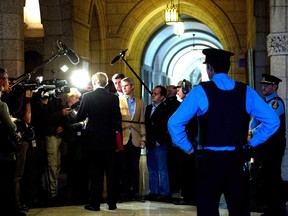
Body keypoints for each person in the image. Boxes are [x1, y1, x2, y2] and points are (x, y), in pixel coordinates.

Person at [168, 48, 280, 216]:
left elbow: (174, 123)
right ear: (228, 67)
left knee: (208, 209)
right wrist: (252, 143)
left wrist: (188, 147)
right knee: (239, 210)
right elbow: (273, 120)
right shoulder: (246, 91)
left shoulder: (201, 91)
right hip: (237, 161)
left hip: (209, 162)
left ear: (210, 69)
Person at [77, 72, 122, 211]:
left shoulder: (87, 96)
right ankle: (112, 203)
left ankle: (94, 204)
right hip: (109, 140)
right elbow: (117, 120)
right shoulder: (113, 98)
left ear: (94, 82)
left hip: (93, 139)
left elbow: (80, 116)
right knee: (111, 172)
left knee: (96, 172)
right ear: (106, 83)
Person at [249, 74, 286, 216]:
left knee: (272, 176)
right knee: (265, 175)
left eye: (267, 85)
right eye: (263, 84)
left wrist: (252, 132)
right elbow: (254, 119)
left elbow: (268, 123)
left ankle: (276, 208)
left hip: (273, 146)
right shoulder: (264, 102)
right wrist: (250, 129)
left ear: (275, 87)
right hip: (264, 145)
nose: (263, 87)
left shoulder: (275, 103)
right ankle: (270, 206)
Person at [0, 67, 26, 216]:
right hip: (4, 151)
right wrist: (12, 122)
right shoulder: (2, 105)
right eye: (6, 78)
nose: (8, 81)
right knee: (7, 182)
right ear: (1, 80)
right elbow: (11, 128)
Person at [118, 77, 146, 202]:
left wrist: (143, 138)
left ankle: (135, 191)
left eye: (126, 85)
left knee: (135, 166)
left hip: (135, 137)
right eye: (122, 86)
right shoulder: (118, 100)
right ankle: (124, 192)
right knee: (123, 166)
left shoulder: (139, 102)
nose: (124, 88)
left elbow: (142, 121)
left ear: (132, 86)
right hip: (123, 137)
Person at [62, 87, 88, 205]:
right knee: (73, 170)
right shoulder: (67, 110)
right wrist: (82, 124)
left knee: (80, 169)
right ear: (70, 98)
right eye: (76, 98)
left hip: (81, 143)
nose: (78, 100)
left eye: (79, 98)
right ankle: (71, 195)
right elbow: (67, 126)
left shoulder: (78, 111)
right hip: (72, 144)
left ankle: (80, 193)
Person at [144, 85, 170, 202]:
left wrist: (160, 140)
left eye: (156, 94)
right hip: (150, 142)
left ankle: (165, 192)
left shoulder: (165, 109)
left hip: (160, 143)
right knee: (152, 168)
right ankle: (154, 191)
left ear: (162, 97)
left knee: (162, 168)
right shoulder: (149, 108)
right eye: (153, 93)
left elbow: (165, 126)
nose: (153, 95)